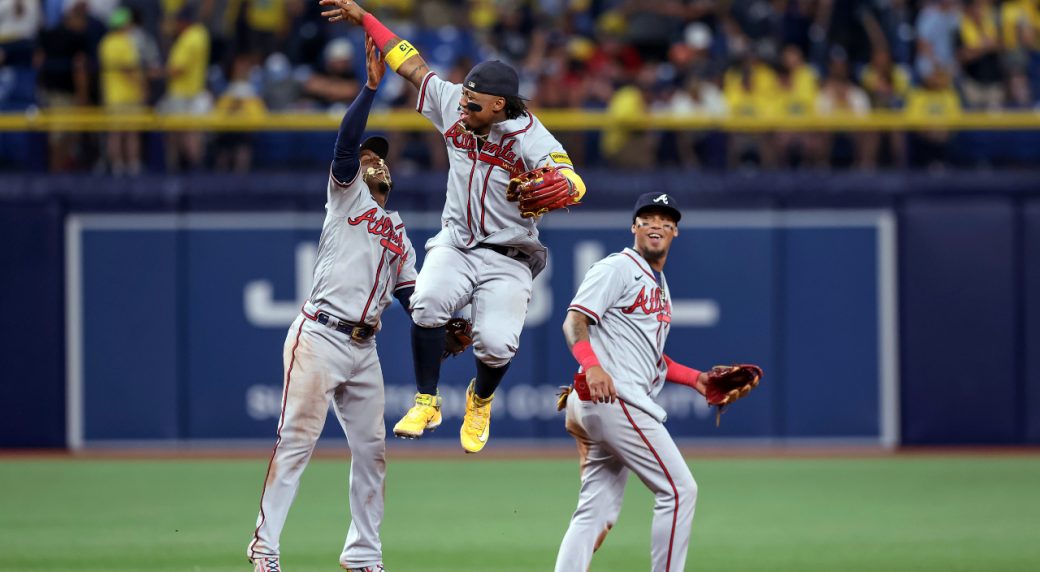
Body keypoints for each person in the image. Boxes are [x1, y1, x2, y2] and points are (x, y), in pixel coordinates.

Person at [320, 0, 588, 453]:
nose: (463, 104)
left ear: (499, 105)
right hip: (457, 243)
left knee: (497, 345)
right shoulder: (453, 106)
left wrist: (567, 185)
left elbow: (573, 179)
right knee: (425, 303)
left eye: (474, 101)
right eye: (463, 96)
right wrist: (367, 19)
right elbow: (411, 64)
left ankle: (479, 401)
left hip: (510, 256)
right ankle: (427, 399)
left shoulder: (531, 136)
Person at [246, 37, 414, 572]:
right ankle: (264, 549)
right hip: (319, 335)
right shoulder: (346, 195)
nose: (374, 161)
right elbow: (345, 143)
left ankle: (363, 555)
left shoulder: (402, 235)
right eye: (370, 155)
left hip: (364, 348)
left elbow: (413, 298)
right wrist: (369, 89)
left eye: (380, 158)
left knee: (373, 453)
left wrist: (447, 328)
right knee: (296, 443)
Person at [555, 193, 710, 572]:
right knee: (679, 490)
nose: (656, 224)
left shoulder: (659, 285)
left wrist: (697, 380)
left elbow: (651, 359)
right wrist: (592, 365)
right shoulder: (618, 267)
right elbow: (574, 321)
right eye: (647, 218)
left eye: (664, 220)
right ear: (634, 227)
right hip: (612, 397)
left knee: (596, 509)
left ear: (675, 231)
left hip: (605, 400)